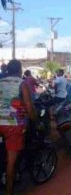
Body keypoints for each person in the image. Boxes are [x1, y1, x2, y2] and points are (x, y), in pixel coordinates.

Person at [0, 59, 37, 195]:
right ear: (20, 70)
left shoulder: (1, 81)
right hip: (13, 125)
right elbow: (28, 106)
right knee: (12, 162)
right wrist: (35, 120)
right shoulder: (22, 84)